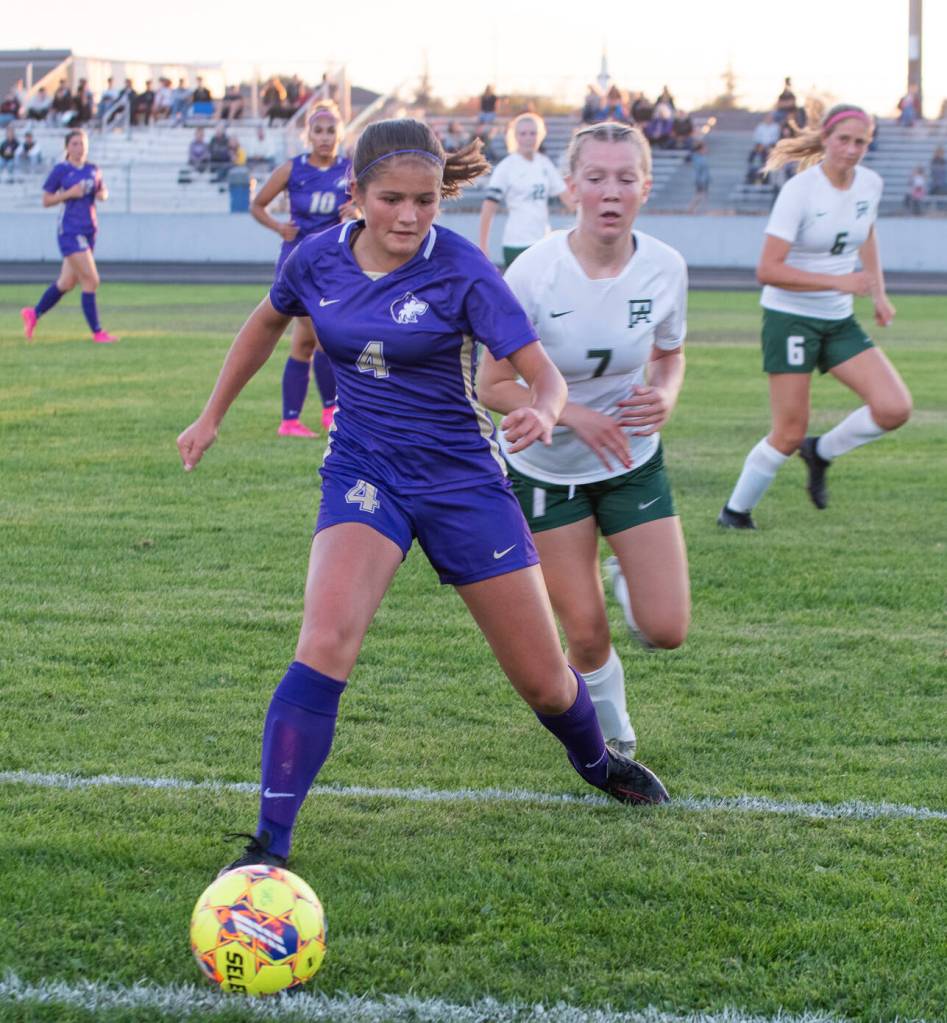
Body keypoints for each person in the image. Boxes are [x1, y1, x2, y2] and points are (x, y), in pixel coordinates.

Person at [176, 117, 670, 874]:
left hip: (462, 482)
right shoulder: (316, 260)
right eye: (392, 199)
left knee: (542, 679)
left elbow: (540, 372)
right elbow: (266, 321)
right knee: (325, 640)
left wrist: (544, 404)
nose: (409, 216)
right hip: (364, 473)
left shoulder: (464, 269)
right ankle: (268, 843)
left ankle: (596, 761)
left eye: (427, 200)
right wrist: (210, 415)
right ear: (355, 196)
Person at [478, 122, 690, 754]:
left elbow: (671, 355)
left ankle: (630, 573)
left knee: (667, 629)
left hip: (632, 461)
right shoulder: (533, 273)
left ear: (645, 188)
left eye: (625, 178)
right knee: (587, 634)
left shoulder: (665, 268)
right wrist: (569, 413)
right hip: (548, 469)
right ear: (570, 187)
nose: (610, 191)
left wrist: (667, 395)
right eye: (596, 178)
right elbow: (492, 384)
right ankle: (617, 742)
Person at [718, 105, 911, 529]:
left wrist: (879, 294)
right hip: (791, 318)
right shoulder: (801, 191)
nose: (851, 149)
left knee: (894, 407)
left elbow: (868, 235)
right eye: (843, 139)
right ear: (825, 139)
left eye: (861, 141)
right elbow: (768, 270)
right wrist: (840, 284)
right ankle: (734, 513)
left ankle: (820, 452)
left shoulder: (870, 184)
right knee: (787, 431)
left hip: (838, 320)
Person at [251, 101, 356, 438]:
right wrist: (278, 227)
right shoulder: (292, 169)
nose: (325, 137)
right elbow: (257, 204)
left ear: (340, 133)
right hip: (299, 264)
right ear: (307, 134)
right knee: (321, 338)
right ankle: (327, 412)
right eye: (318, 130)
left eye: (330, 130)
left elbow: (371, 203)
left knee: (306, 344)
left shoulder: (352, 169)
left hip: (336, 264)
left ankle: (293, 420)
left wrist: (355, 209)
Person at [20, 129, 118, 344]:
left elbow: (103, 191)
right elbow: (46, 200)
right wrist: (68, 194)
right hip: (70, 231)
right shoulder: (61, 170)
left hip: (89, 230)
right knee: (91, 280)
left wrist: (102, 194)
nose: (79, 147)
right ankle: (98, 332)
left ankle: (33, 313)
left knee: (66, 282)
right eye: (74, 144)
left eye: (82, 143)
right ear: (67, 147)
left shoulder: (93, 169)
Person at [479, 113, 575, 268]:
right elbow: (489, 207)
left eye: (533, 133)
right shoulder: (507, 167)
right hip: (516, 244)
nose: (529, 138)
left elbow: (568, 200)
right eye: (523, 133)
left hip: (543, 242)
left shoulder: (544, 164)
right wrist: (483, 245)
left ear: (540, 136)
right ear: (515, 136)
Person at [688, 140, 710, 212]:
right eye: (704, 148)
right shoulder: (697, 158)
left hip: (704, 179)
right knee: (700, 195)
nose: (706, 150)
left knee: (703, 195)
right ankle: (691, 208)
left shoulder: (701, 157)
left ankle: (697, 209)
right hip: (700, 179)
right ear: (700, 149)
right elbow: (698, 170)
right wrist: (701, 180)